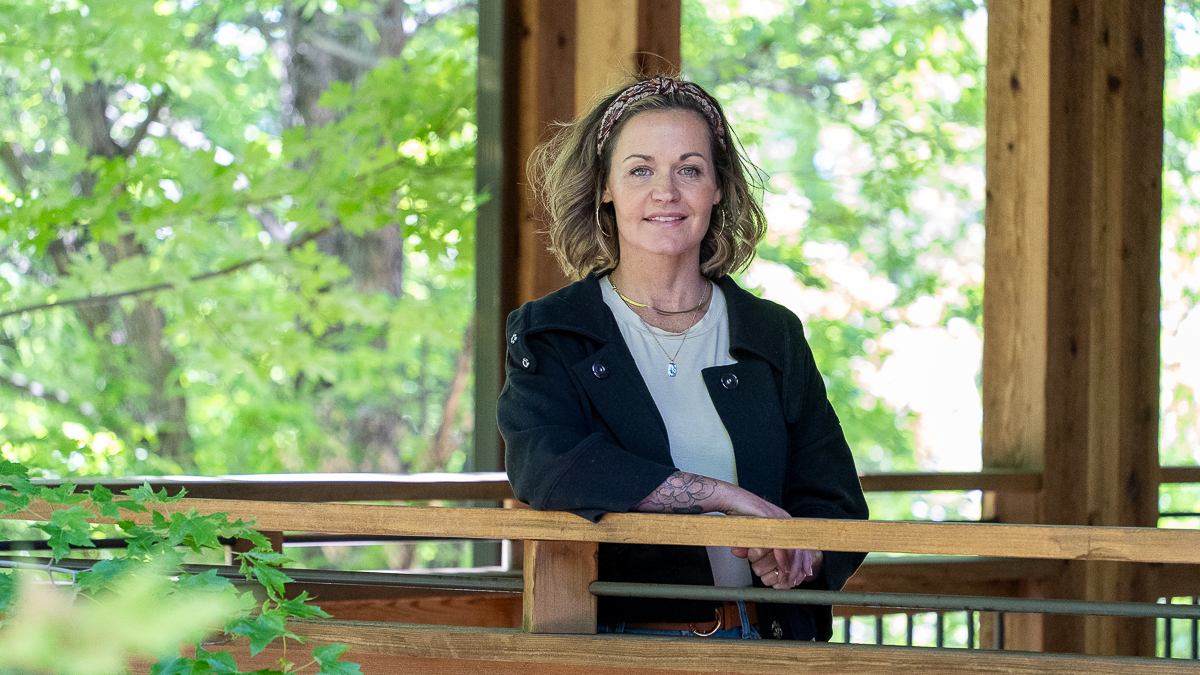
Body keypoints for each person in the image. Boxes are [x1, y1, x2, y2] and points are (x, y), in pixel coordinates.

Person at [497, 75, 868, 641]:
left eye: (689, 169)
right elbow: (547, 467)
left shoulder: (772, 334)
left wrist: (801, 556)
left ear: (718, 189)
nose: (665, 192)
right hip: (626, 642)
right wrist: (728, 499)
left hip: (770, 642)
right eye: (640, 170)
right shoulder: (553, 332)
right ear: (605, 188)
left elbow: (835, 501)